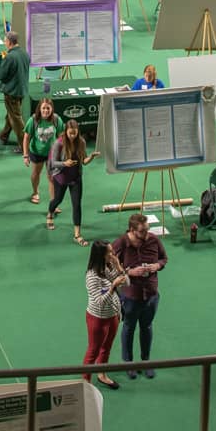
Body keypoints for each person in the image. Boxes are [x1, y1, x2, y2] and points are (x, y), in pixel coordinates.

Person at [113, 212, 166, 379]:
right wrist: (130, 271)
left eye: (147, 230)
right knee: (129, 327)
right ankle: (129, 363)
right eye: (142, 231)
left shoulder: (153, 240)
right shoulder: (121, 243)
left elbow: (164, 258)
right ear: (132, 230)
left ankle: (145, 362)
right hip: (130, 296)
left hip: (151, 294)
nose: (146, 234)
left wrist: (157, 266)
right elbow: (110, 268)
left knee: (147, 327)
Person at [82, 240, 128, 391]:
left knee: (106, 347)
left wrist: (117, 265)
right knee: (93, 350)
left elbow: (125, 281)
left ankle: (101, 374)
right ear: (100, 255)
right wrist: (113, 286)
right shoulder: (91, 276)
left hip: (112, 315)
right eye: (109, 252)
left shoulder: (107, 268)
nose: (112, 254)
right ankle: (85, 382)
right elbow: (100, 302)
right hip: (97, 319)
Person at [45, 118, 92, 245]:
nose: (72, 136)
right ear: (65, 131)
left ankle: (77, 235)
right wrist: (65, 163)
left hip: (76, 178)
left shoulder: (81, 142)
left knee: (77, 205)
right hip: (61, 177)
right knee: (57, 200)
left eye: (74, 133)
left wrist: (91, 157)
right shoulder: (58, 143)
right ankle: (50, 213)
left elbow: (84, 161)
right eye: (70, 133)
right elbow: (53, 162)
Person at [0, 32, 30, 147]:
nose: (5, 43)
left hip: (11, 92)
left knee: (16, 119)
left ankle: (24, 145)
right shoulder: (24, 53)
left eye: (5, 41)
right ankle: (4, 135)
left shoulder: (9, 57)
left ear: (9, 42)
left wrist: (4, 60)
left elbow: (0, 75)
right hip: (21, 90)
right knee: (11, 114)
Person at [23, 98, 58, 203]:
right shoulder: (33, 120)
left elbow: (61, 136)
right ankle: (35, 192)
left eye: (48, 108)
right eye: (43, 108)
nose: (46, 111)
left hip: (51, 153)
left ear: (52, 109)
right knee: (35, 174)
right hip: (36, 152)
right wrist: (25, 155)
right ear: (39, 108)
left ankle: (53, 202)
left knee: (51, 177)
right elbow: (26, 138)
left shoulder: (56, 119)